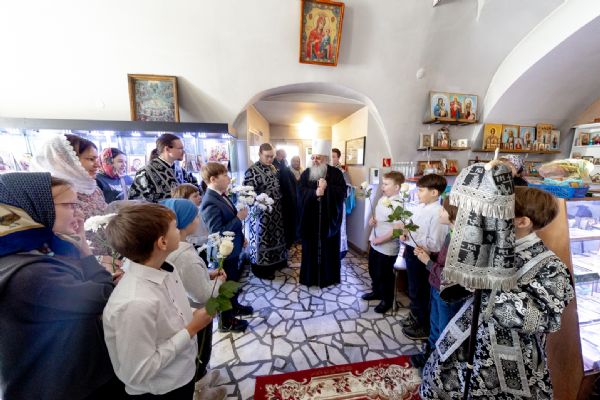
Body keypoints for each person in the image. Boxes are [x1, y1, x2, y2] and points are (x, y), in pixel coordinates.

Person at [420, 187, 575, 399]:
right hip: (465, 336)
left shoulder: (551, 267)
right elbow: (454, 283)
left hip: (508, 357)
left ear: (522, 222)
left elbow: (545, 319)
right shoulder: (490, 247)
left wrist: (486, 287)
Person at [0, 172, 124, 400]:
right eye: (69, 205)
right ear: (34, 207)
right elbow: (104, 295)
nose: (79, 212)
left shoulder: (36, 250)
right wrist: (86, 251)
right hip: (61, 387)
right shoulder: (32, 273)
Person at [102, 203, 213, 398]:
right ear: (162, 242)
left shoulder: (166, 267)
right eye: (175, 227)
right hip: (162, 387)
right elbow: (137, 371)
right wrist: (191, 329)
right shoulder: (134, 303)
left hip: (182, 371)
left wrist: (191, 315)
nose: (179, 230)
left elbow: (171, 313)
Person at [161, 199, 227, 400]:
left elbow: (188, 278)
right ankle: (201, 389)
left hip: (185, 309)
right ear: (185, 222)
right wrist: (219, 282)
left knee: (199, 351)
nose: (199, 219)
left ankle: (203, 376)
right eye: (195, 216)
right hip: (195, 313)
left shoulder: (177, 249)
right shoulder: (184, 256)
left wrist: (206, 274)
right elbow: (203, 294)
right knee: (200, 351)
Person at [200, 162, 253, 333]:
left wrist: (241, 237)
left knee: (232, 282)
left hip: (232, 248)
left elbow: (228, 219)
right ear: (213, 179)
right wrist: (239, 219)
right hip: (223, 252)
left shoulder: (220, 195)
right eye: (224, 175)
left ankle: (234, 307)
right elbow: (217, 232)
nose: (229, 178)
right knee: (224, 287)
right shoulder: (210, 202)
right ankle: (226, 322)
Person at [411, 197, 463, 368]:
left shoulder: (460, 242)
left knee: (444, 329)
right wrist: (430, 255)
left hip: (447, 293)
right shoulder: (451, 233)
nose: (440, 212)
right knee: (434, 324)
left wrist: (427, 262)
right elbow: (442, 260)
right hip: (436, 286)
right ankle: (431, 354)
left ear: (455, 213)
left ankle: (442, 364)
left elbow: (450, 276)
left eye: (443, 209)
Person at [400, 174, 448, 340]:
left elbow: (436, 244)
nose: (417, 193)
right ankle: (415, 317)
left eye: (421, 190)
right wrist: (405, 234)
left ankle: (423, 326)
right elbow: (412, 228)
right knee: (413, 289)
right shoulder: (420, 207)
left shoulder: (438, 213)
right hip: (412, 252)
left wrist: (415, 240)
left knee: (421, 291)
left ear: (434, 192)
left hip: (424, 256)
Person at [298, 139, 346, 288]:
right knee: (310, 250)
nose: (315, 160)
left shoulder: (336, 174)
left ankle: (328, 278)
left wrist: (327, 189)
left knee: (328, 250)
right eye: (313, 157)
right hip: (310, 221)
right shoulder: (306, 173)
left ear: (326, 158)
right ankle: (310, 278)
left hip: (328, 222)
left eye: (318, 158)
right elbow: (300, 192)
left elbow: (342, 193)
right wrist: (315, 193)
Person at [31, 133, 107, 220]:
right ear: (66, 161)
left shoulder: (93, 189)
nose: (98, 165)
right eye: (91, 159)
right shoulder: (52, 195)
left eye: (96, 159)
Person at [362, 171, 405, 314]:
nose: (382, 187)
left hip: (387, 248)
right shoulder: (383, 199)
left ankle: (387, 300)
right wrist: (372, 221)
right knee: (373, 270)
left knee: (385, 275)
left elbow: (398, 231)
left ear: (397, 187)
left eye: (386, 184)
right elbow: (379, 217)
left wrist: (380, 240)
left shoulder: (398, 205)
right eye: (383, 183)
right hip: (375, 243)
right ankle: (377, 292)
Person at [129, 133, 198, 202]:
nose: (184, 151)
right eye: (180, 148)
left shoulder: (182, 171)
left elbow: (196, 191)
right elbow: (137, 201)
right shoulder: (145, 172)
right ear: (167, 149)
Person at [331, 148, 351, 259]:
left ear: (338, 158)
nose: (332, 158)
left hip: (338, 204)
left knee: (340, 226)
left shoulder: (343, 172)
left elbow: (348, 190)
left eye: (334, 156)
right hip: (328, 205)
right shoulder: (326, 171)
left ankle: (340, 250)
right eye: (330, 156)